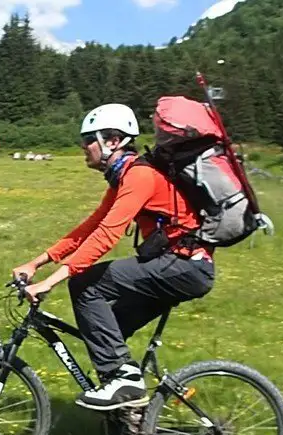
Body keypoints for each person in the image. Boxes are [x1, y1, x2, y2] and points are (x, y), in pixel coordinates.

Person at [12, 103, 216, 411]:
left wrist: (50, 282)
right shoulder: (123, 178)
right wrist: (37, 262)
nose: (83, 146)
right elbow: (89, 228)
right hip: (172, 266)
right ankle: (132, 421)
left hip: (185, 266)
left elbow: (106, 235)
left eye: (88, 139)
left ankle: (126, 382)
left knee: (85, 285)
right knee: (106, 334)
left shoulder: (140, 176)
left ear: (112, 140)